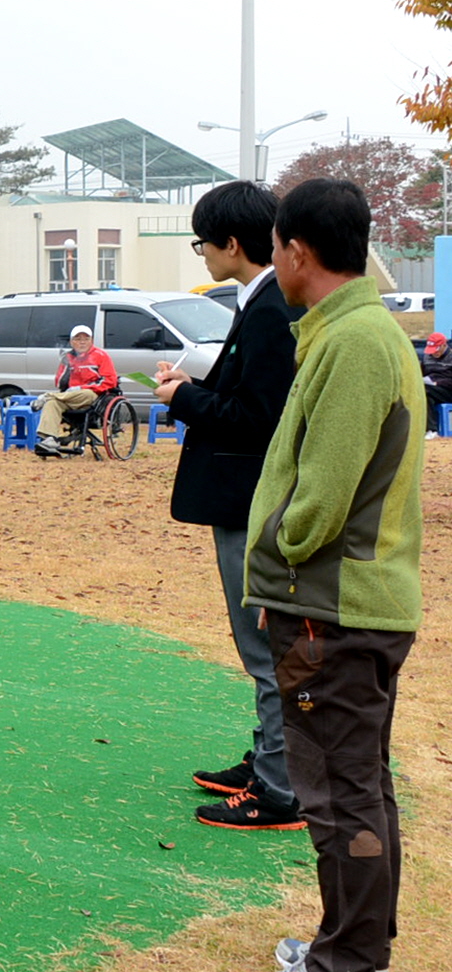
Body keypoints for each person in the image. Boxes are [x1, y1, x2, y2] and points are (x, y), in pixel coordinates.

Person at [232, 177, 424, 972]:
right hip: (352, 602)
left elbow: (324, 494)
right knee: (358, 783)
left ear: (296, 251)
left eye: (275, 247)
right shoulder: (354, 333)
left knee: (339, 792)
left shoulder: (353, 343)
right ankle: (356, 948)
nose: (274, 263)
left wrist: (275, 544)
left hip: (333, 608)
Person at [151, 181, 304, 832]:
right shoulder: (262, 300)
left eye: (203, 243)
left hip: (254, 504)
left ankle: (280, 785)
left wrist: (182, 398)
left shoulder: (271, 308)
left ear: (232, 244)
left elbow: (257, 418)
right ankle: (270, 757)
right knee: (261, 646)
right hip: (246, 500)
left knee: (266, 647)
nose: (202, 255)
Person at [34, 324, 118, 456]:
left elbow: (110, 381)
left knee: (80, 394)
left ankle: (46, 396)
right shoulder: (69, 357)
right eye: (78, 339)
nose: (82, 342)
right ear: (72, 342)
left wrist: (82, 387)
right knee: (53, 403)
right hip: (70, 397)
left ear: (91, 341)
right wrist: (65, 366)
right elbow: (59, 383)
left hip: (94, 396)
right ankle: (50, 439)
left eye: (86, 338)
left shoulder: (101, 356)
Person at [419, 332, 452, 415]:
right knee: (426, 396)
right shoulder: (426, 358)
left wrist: (437, 383)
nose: (434, 353)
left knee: (426, 390)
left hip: (448, 390)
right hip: (432, 390)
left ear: (444, 345)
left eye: (437, 349)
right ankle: (431, 428)